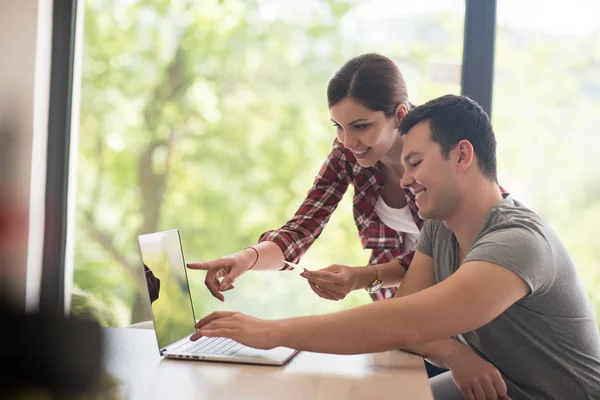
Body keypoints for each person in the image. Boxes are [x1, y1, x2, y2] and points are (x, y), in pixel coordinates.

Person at [190, 95, 600, 400]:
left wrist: (270, 332)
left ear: (461, 155)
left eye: (416, 163)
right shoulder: (439, 228)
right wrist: (456, 355)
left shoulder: (518, 241)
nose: (403, 181)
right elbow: (406, 326)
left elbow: (404, 322)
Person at [188, 53, 419, 304]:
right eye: (338, 126)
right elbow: (302, 229)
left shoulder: (438, 152)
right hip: (397, 295)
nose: (347, 141)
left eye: (361, 126)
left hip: (450, 293)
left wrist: (361, 278)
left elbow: (442, 254)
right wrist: (246, 258)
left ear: (399, 115)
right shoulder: (347, 154)